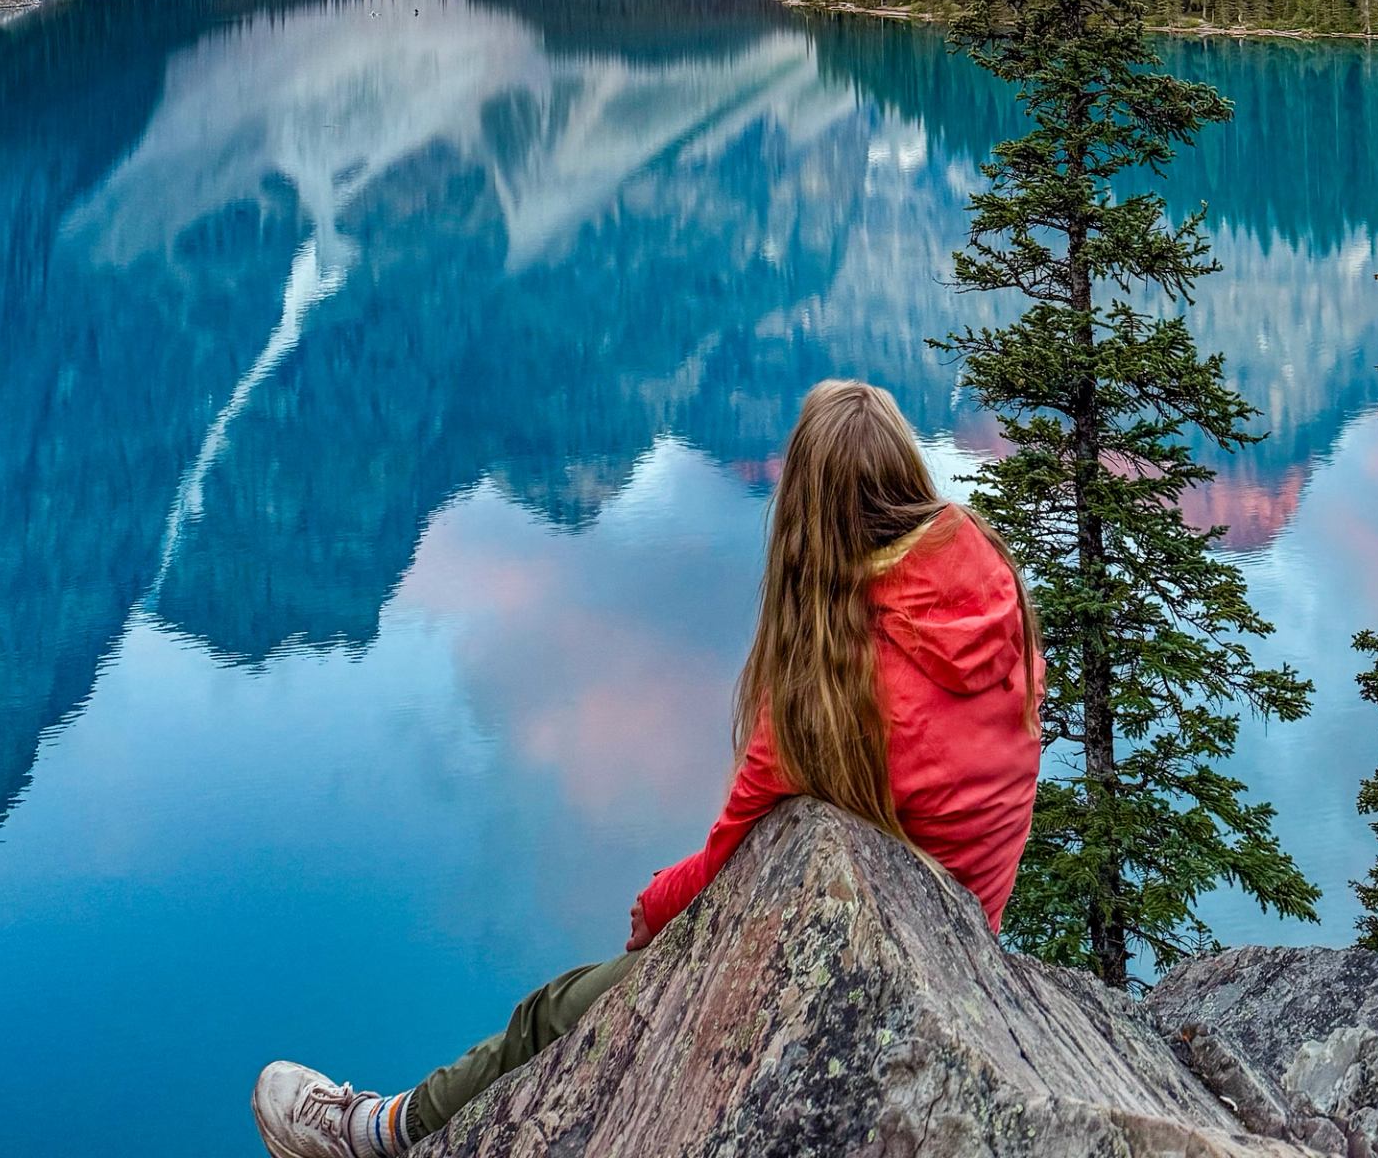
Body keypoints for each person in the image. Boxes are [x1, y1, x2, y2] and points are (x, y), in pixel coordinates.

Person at [251, 379, 1042, 1157]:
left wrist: (653, 905)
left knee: (553, 1015)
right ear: (906, 475)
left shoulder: (831, 685)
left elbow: (731, 849)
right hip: (968, 932)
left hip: (871, 969)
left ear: (808, 515)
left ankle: (378, 1137)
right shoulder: (987, 586)